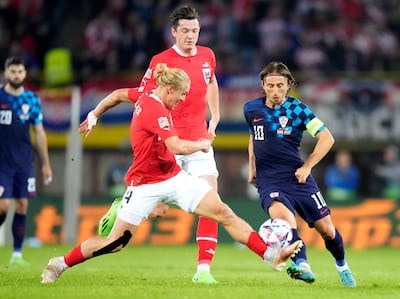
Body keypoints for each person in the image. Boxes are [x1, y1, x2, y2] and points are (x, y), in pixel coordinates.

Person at [41, 63, 302, 284]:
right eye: (181, 94)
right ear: (169, 89)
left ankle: (271, 255)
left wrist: (96, 113)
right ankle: (60, 263)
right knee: (115, 243)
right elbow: (176, 146)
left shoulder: (146, 95)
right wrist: (202, 144)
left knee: (223, 212)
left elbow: (119, 93)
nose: (183, 99)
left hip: (173, 177)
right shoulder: (155, 109)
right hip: (144, 184)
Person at [98, 5, 221, 284]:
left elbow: (212, 83)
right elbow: (144, 96)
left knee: (213, 202)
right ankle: (124, 202)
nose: (191, 36)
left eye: (196, 30)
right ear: (174, 32)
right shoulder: (160, 61)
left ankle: (203, 270)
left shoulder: (207, 56)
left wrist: (216, 117)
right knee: (160, 210)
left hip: (200, 140)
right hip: (171, 141)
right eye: (186, 31)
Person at [243, 61, 356, 287]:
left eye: (280, 86)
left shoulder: (298, 110)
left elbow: (327, 138)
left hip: (298, 177)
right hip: (269, 179)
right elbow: (254, 137)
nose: (275, 91)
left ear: (289, 85)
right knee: (285, 222)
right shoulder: (251, 109)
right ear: (263, 86)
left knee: (327, 231)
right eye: (270, 85)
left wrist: (308, 166)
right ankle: (302, 265)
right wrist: (252, 167)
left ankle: (342, 265)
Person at [0, 56, 52, 265]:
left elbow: (39, 132)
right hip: (2, 163)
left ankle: (17, 255)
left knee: (22, 204)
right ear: (6, 73)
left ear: (25, 74)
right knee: (2, 206)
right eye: (13, 71)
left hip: (24, 163)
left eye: (20, 71)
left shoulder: (31, 99)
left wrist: (46, 163)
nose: (16, 75)